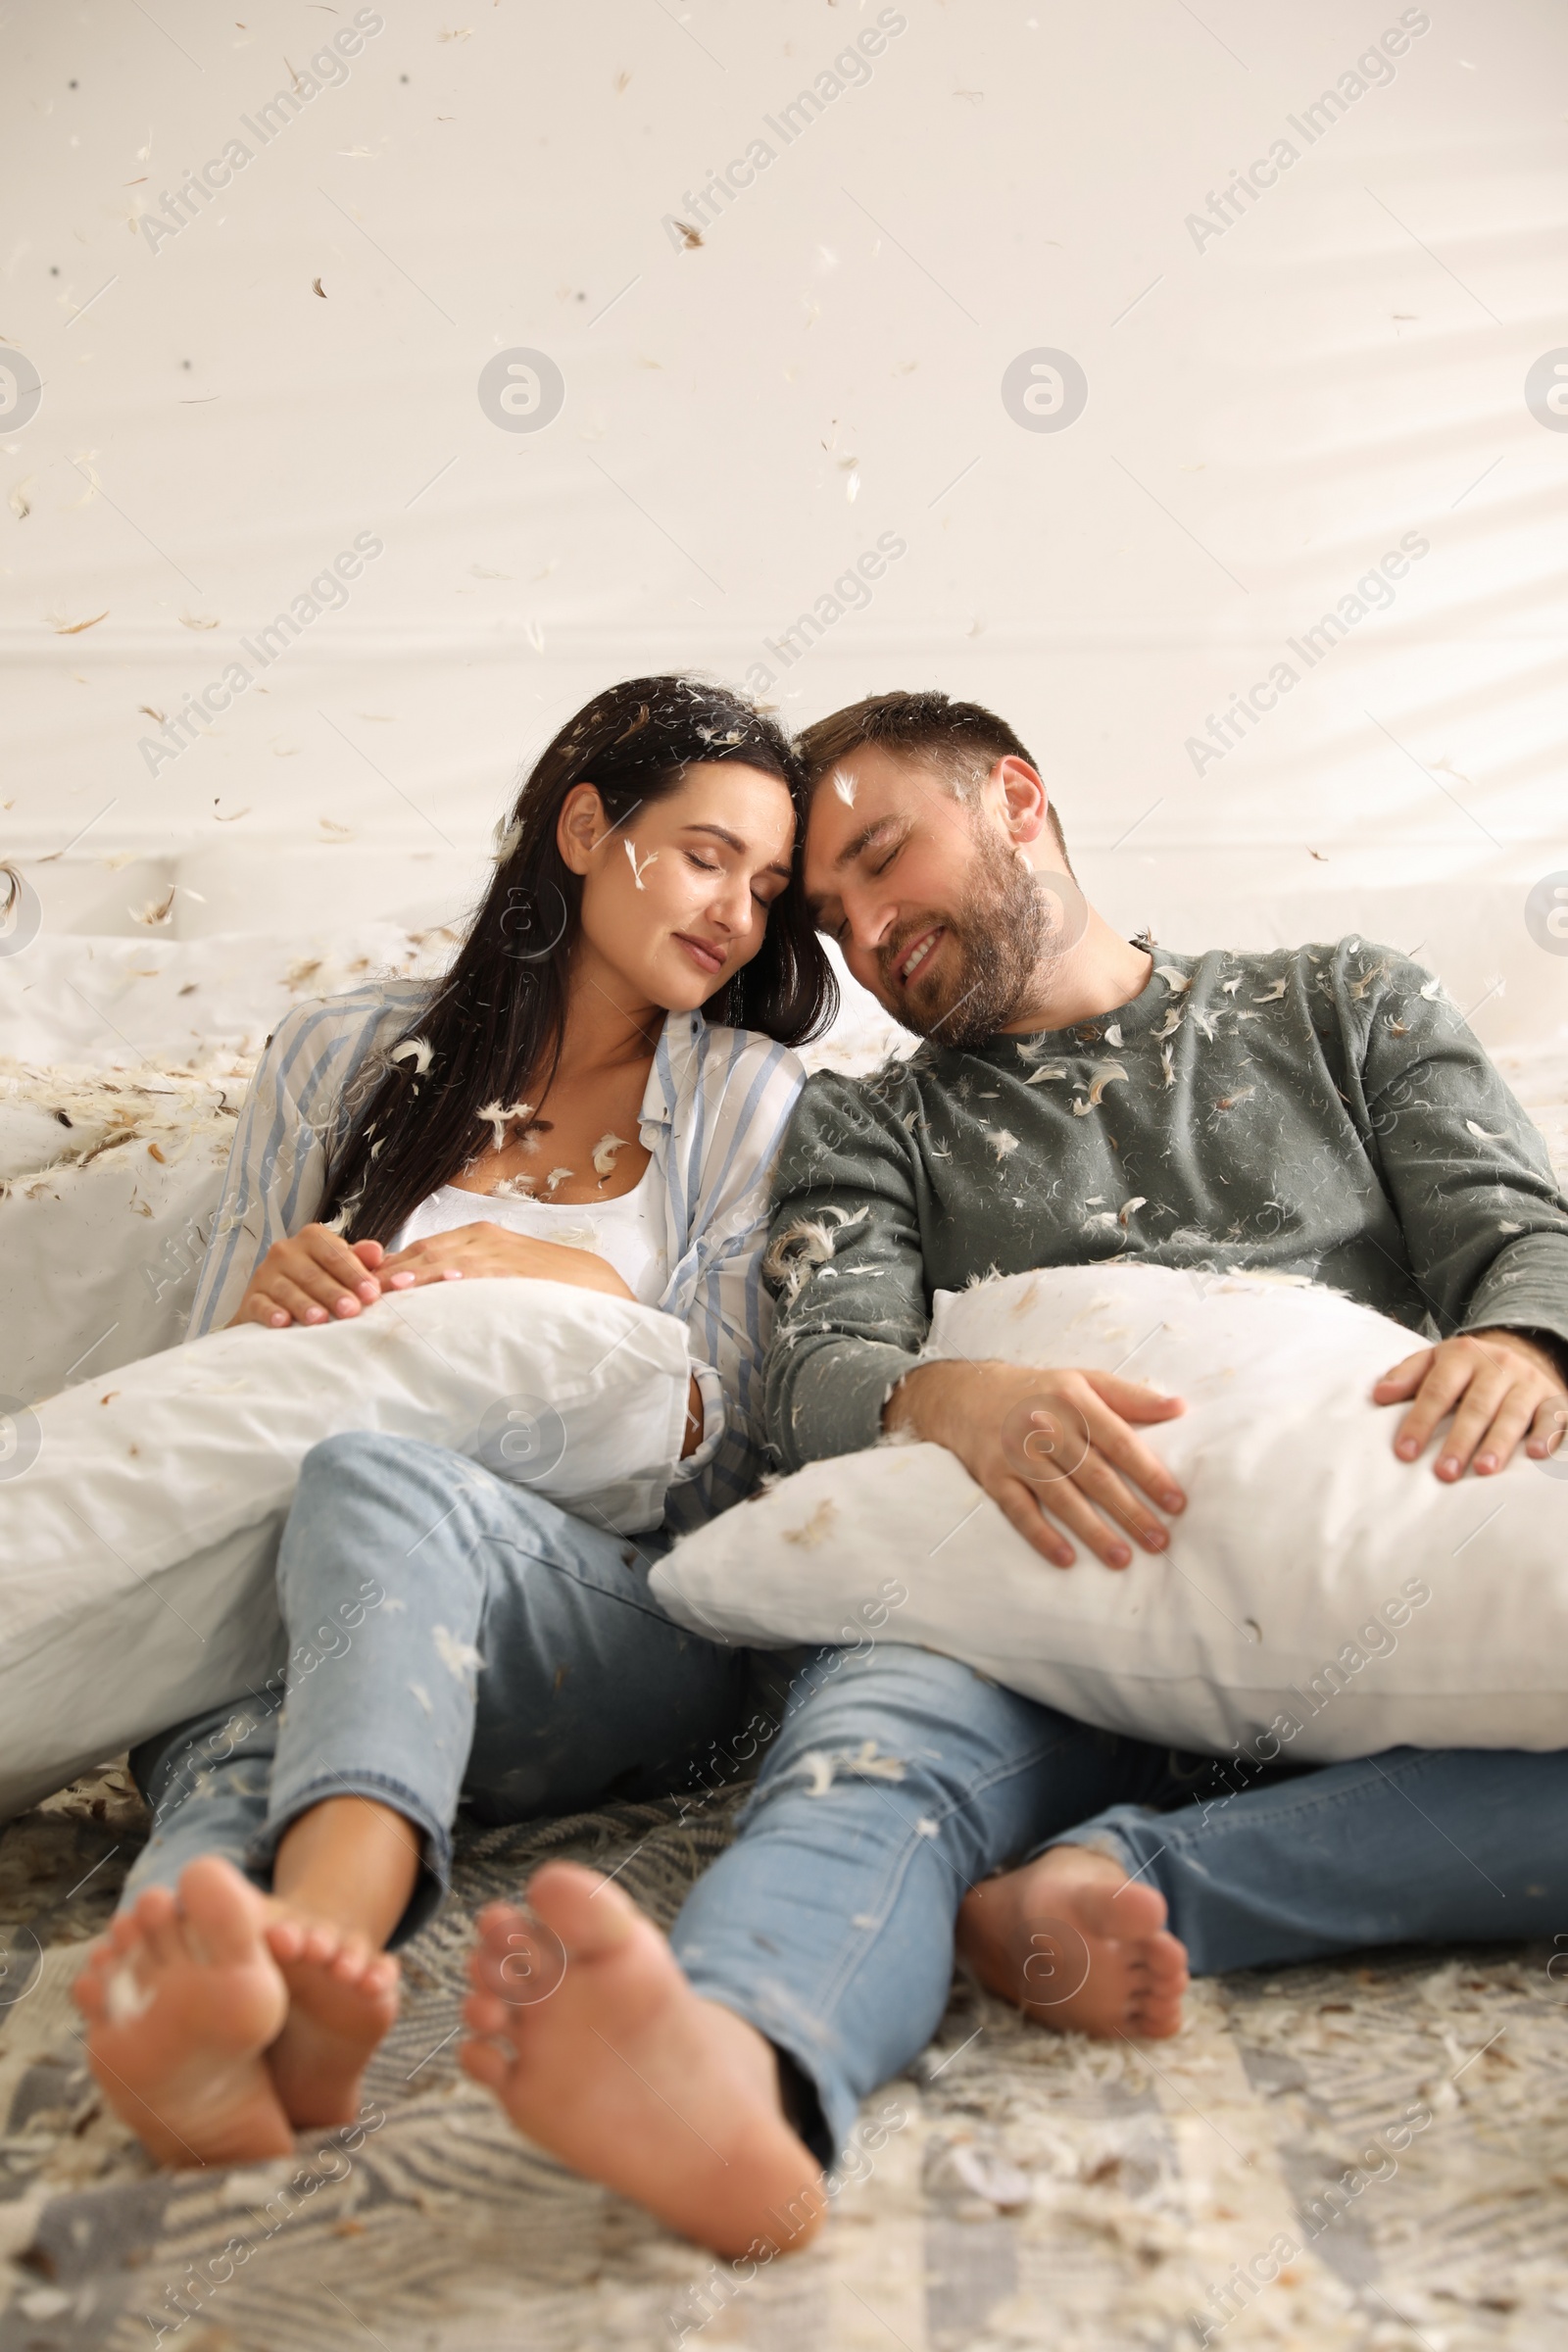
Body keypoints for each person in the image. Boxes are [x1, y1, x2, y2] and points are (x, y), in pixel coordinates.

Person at [453, 689, 1568, 2260]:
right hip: (1021, 1608)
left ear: (1021, 801)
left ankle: (1151, 1887)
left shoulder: (1342, 1004)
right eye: (833, 915)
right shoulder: (873, 1125)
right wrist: (939, 1392)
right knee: (870, 1750)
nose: (869, 933)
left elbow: (1524, 1237)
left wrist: (1525, 1343)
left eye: (887, 859)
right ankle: (739, 2075)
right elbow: (807, 1383)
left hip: (1362, 1595)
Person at [71, 676, 836, 2171]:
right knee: (223, 1700)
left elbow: (742, 1461)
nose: (739, 913)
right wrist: (263, 1297)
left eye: (766, 885)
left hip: (612, 1628)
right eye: (703, 854)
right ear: (582, 828)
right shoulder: (339, 1056)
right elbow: (192, 1402)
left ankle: (306, 1967)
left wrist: (572, 1282)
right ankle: (194, 2004)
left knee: (376, 1485)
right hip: (303, 1589)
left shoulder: (747, 1096)